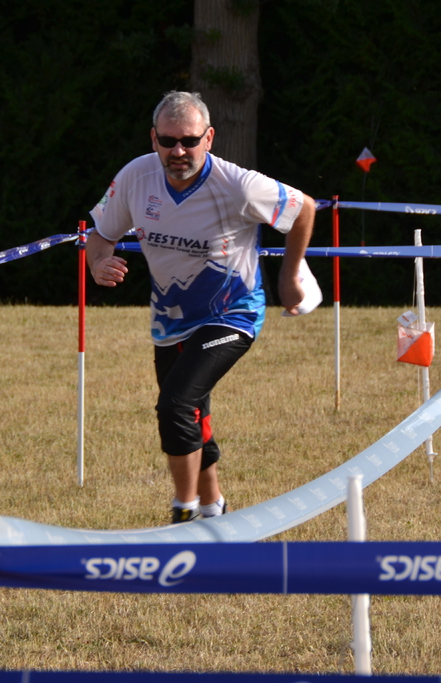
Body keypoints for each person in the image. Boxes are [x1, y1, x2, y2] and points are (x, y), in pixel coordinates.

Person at [87, 91, 315, 524]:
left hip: (233, 313)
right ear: (153, 139)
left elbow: (303, 208)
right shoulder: (136, 177)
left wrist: (289, 277)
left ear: (208, 138)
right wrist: (98, 263)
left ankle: (184, 513)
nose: (178, 151)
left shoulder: (237, 185)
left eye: (189, 141)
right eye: (168, 141)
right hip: (170, 319)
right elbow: (101, 234)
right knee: (192, 411)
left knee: (175, 405)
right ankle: (214, 510)